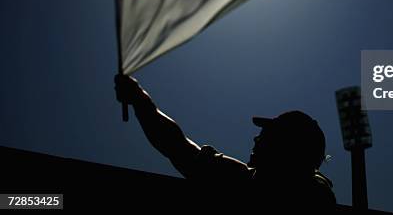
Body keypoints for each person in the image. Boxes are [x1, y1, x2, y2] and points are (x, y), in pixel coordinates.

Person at [114, 74, 336, 212]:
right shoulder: (247, 180)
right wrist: (140, 100)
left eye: (267, 133)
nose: (257, 138)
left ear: (287, 148)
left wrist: (139, 100)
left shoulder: (314, 194)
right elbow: (177, 146)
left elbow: (177, 147)